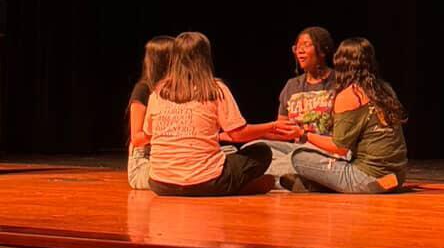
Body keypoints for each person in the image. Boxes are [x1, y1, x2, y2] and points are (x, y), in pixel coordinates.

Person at [143, 31, 299, 196]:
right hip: (205, 181)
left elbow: (148, 135)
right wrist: (272, 126)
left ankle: (228, 186)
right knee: (261, 151)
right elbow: (238, 134)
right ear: (204, 58)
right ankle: (232, 188)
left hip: (160, 183)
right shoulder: (215, 89)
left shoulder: (158, 92)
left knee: (226, 155)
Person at [283, 37, 408, 193]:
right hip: (398, 175)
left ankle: (319, 184)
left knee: (299, 157)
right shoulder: (385, 89)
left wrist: (303, 134)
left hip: (368, 177)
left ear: (341, 63)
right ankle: (314, 185)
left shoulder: (350, 95)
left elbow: (340, 147)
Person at [243, 26, 337, 181]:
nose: (300, 50)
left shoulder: (339, 82)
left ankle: (275, 177)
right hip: (297, 149)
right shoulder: (292, 86)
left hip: (327, 151)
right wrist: (249, 133)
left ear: (322, 50)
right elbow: (282, 131)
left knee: (285, 163)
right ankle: (299, 179)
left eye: (306, 45)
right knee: (252, 148)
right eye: (297, 47)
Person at [127, 35, 174, 190]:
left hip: (171, 157)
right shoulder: (143, 90)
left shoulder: (177, 90)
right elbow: (137, 138)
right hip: (145, 161)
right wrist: (169, 134)